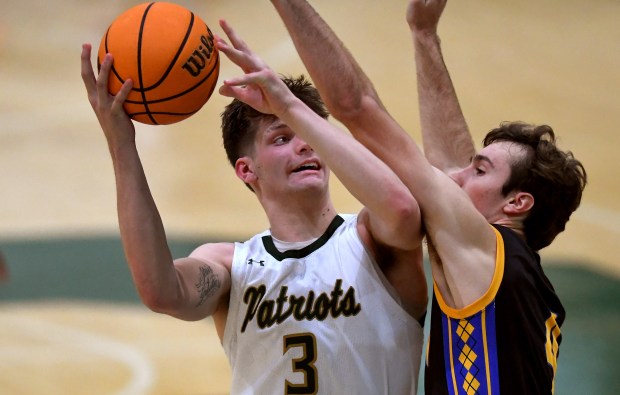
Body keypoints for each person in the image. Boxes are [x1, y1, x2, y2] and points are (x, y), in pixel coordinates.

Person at [80, 17, 427, 395]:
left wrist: (293, 109)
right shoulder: (232, 267)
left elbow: (404, 210)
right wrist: (122, 144)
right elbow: (161, 291)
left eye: (310, 135)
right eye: (281, 139)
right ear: (247, 170)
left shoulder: (371, 240)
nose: (305, 145)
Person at [267, 0, 587, 393]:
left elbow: (356, 107)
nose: (456, 175)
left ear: (516, 204)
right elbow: (451, 162)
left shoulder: (489, 253)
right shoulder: (515, 276)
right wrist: (424, 34)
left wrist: (286, 104)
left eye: (480, 170)